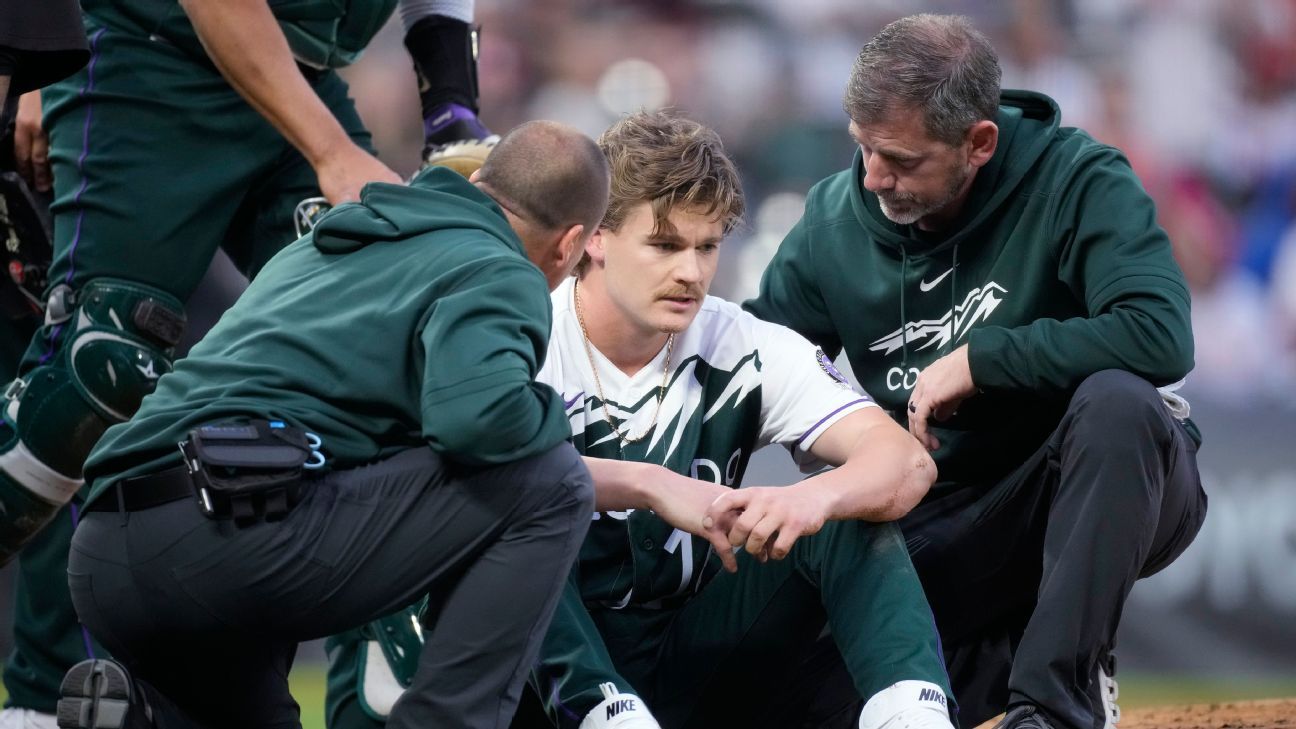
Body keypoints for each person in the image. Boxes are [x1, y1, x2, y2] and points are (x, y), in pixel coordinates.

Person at [338, 110, 957, 729]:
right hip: (520, 679)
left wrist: (813, 501)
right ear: (595, 238)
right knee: (504, 509)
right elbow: (455, 481)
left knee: (848, 515)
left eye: (707, 246)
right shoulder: (522, 333)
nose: (690, 272)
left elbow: (904, 464)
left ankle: (912, 716)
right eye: (664, 245)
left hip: (682, 662)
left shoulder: (740, 342)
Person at [55, 120, 609, 729]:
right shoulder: (500, 267)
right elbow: (476, 420)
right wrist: (558, 418)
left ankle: (145, 720)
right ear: (570, 244)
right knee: (551, 478)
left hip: (105, 550)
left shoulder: (325, 242)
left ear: (476, 182)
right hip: (230, 541)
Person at [745, 14, 1207, 729]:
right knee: (790, 689)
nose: (873, 177)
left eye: (899, 159)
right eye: (862, 148)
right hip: (948, 513)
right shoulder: (832, 220)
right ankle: (1005, 659)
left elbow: (1161, 334)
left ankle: (1059, 702)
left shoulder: (1079, 178)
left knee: (1119, 403)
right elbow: (751, 364)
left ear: (979, 142)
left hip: (1105, 480)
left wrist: (987, 358)